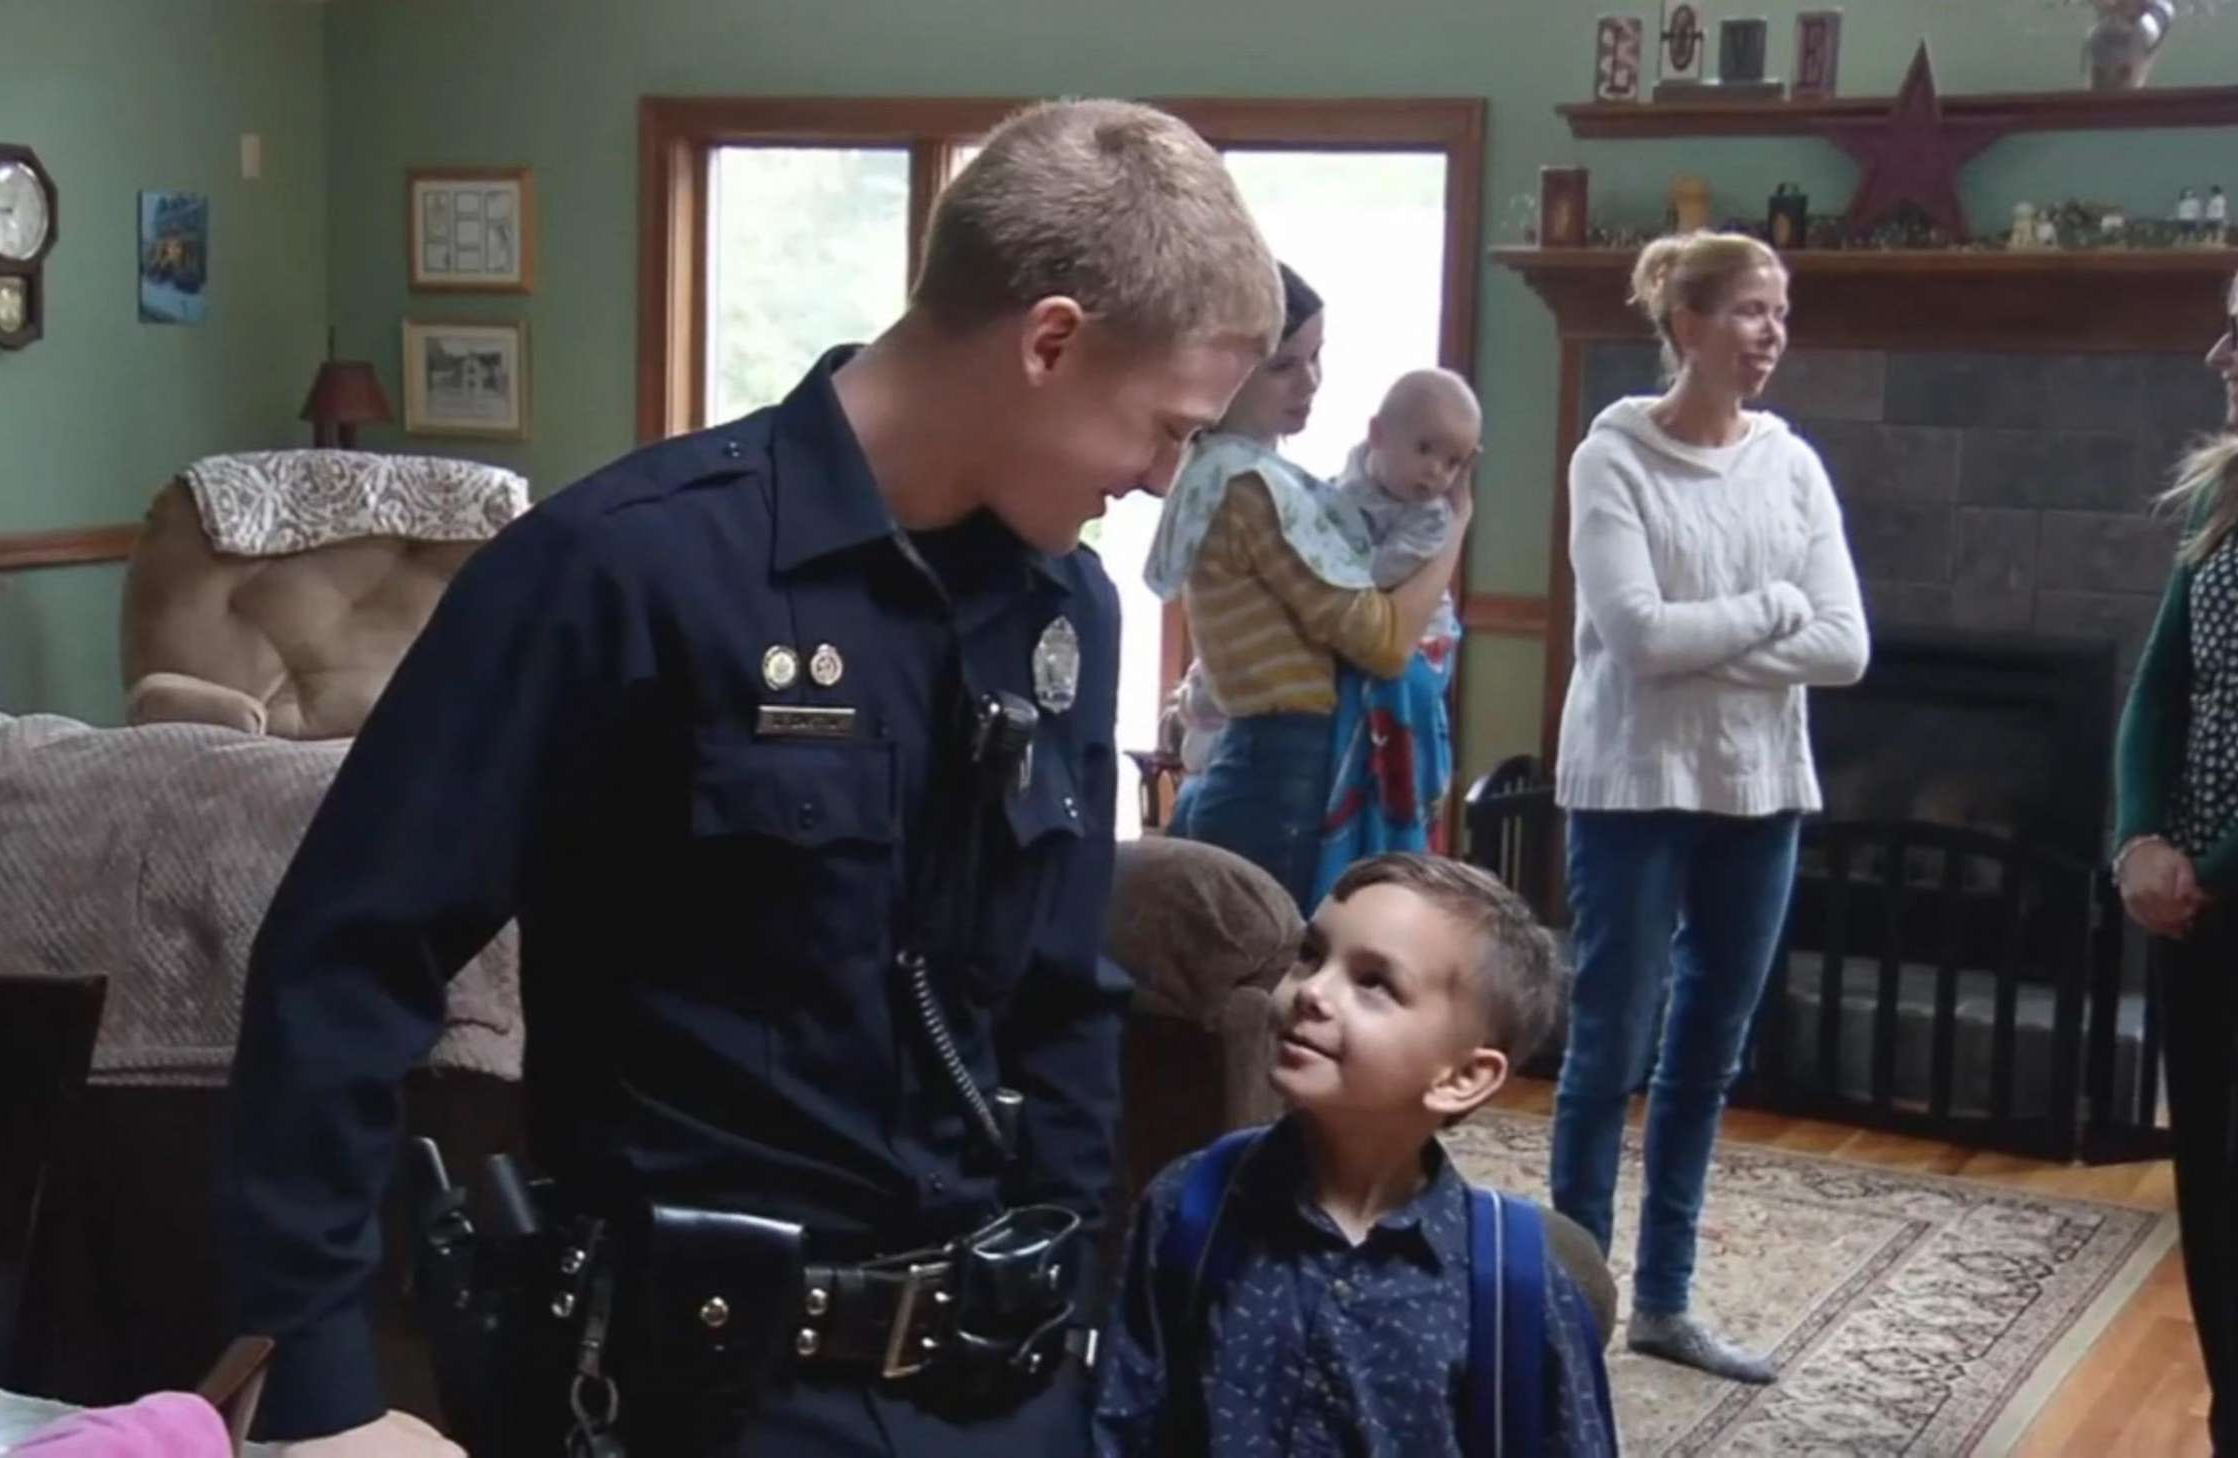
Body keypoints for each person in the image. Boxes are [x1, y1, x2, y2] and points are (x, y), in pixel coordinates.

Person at [212, 98, 1284, 1457]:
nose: (1160, 475)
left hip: (995, 1391)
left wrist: (1073, 1330)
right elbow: (342, 959)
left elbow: (1064, 998)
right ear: (1051, 342)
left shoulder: (1064, 606)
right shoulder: (620, 573)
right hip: (690, 1393)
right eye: (1167, 426)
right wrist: (314, 1389)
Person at [1548, 230, 1867, 1384]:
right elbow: (1634, 639)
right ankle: (1568, 1300)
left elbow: (1845, 649)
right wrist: (1772, 608)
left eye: (1780, 310)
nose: (1770, 331)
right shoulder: (1612, 458)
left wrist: (1717, 640)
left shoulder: (1792, 464)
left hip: (1761, 788)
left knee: (1706, 1057)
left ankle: (1667, 1304)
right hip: (1633, 785)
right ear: (1684, 326)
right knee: (1607, 1051)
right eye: (1746, 309)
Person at [1089, 854, 1614, 1456]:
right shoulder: (1188, 1206)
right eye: (1311, 954)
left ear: (1463, 1076)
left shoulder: (1520, 1287)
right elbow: (1122, 1423)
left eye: (1374, 983)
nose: (1311, 991)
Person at [1148, 267, 1469, 908]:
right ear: (1223, 368)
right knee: (1283, 969)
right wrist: (1456, 526)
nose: (1310, 381)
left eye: (1316, 357)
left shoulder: (1240, 472)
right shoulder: (1249, 486)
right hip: (1283, 759)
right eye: (1283, 366)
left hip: (1272, 753)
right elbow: (1380, 642)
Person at [2113, 259, 2238, 1457]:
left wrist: (2211, 865)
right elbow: (2158, 690)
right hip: (2190, 904)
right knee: (2207, 1183)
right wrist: (2137, 840)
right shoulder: (2229, 492)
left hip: (2228, 892)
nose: (2219, 357)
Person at [1310, 368, 1484, 889]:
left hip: (1422, 639)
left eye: (1453, 462)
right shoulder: (1341, 487)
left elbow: (1371, 578)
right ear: (1378, 435)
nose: (1436, 473)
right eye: (1426, 449)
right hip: (1366, 628)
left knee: (1399, 685)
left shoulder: (1433, 518)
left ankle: (1401, 826)